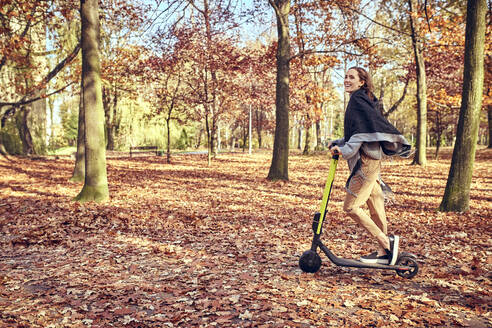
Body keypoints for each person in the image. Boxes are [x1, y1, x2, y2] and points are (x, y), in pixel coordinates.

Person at [328, 67, 411, 266]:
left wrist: (341, 151)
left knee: (351, 207)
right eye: (346, 77)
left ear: (362, 81)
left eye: (351, 77)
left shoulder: (357, 100)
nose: (347, 80)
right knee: (375, 206)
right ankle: (384, 253)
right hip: (372, 162)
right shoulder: (363, 99)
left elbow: (356, 142)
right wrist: (339, 141)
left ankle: (386, 242)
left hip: (365, 164)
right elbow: (360, 134)